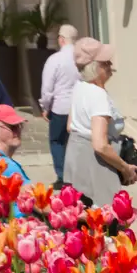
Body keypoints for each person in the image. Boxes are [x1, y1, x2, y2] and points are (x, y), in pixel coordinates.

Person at [63, 38, 137, 208]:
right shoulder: (97, 94)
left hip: (76, 160)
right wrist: (125, 168)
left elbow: (70, 127)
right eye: (105, 62)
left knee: (81, 215)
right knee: (103, 220)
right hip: (95, 166)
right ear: (94, 67)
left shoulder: (79, 87)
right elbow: (100, 145)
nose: (110, 65)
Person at [38, 24, 80, 184]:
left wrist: (45, 106)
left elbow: (47, 88)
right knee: (76, 142)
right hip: (77, 107)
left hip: (60, 107)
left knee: (57, 141)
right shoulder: (80, 58)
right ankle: (76, 174)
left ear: (61, 40)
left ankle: (63, 177)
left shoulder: (54, 60)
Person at [0, 105, 30, 186]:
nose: (18, 131)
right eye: (13, 127)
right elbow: (30, 196)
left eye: (19, 126)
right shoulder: (7, 166)